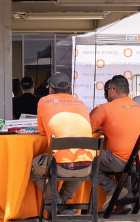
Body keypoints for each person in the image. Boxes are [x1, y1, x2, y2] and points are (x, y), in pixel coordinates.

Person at [89, 75, 140, 213]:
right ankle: (125, 201)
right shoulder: (137, 106)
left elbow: (86, 129)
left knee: (86, 156)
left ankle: (114, 188)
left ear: (111, 90)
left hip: (127, 162)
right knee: (121, 155)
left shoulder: (106, 108)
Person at [30, 73, 93, 213]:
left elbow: (42, 132)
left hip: (60, 166)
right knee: (80, 164)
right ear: (70, 89)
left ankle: (54, 201)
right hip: (88, 167)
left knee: (35, 170)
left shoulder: (43, 101)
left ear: (51, 90)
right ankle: (62, 203)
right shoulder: (81, 103)